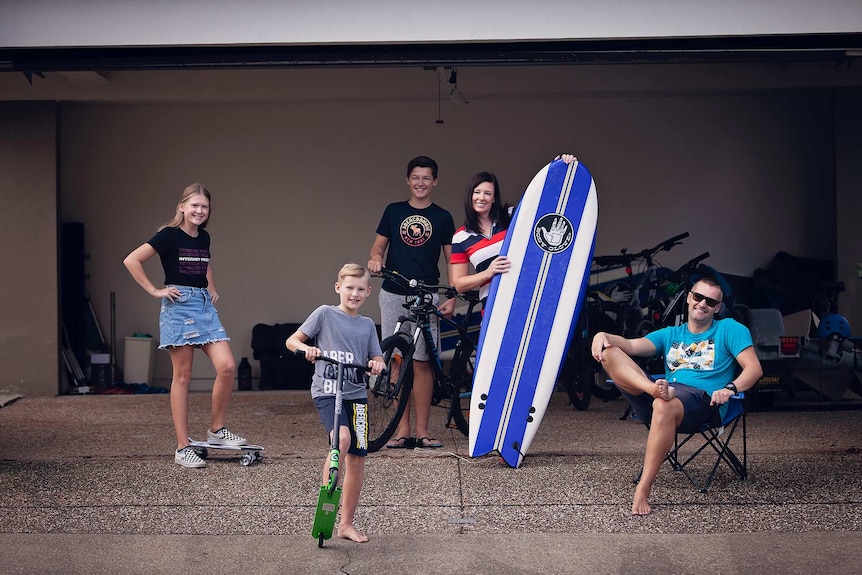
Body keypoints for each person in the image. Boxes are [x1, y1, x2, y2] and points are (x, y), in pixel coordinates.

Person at [591, 275, 763, 516]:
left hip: (702, 400)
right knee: (610, 353)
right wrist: (603, 336)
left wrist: (731, 388)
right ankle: (650, 388)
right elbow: (630, 345)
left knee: (663, 404)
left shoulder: (730, 328)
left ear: (718, 308)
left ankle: (643, 487)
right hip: (661, 391)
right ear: (689, 298)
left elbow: (754, 369)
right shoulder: (670, 334)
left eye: (711, 302)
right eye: (698, 297)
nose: (702, 304)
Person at [123, 183, 247, 468]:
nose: (199, 211)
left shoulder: (204, 237)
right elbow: (132, 260)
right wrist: (155, 291)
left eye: (204, 207)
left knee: (226, 366)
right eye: (194, 205)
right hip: (178, 307)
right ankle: (182, 447)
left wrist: (211, 289)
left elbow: (205, 264)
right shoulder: (168, 235)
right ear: (182, 207)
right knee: (183, 376)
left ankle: (216, 430)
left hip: (203, 307)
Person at [286, 263, 385, 543]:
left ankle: (346, 524)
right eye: (349, 288)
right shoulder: (325, 314)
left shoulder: (366, 325)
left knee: (357, 458)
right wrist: (307, 349)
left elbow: (377, 357)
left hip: (356, 395)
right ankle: (327, 498)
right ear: (338, 288)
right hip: (328, 392)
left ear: (368, 291)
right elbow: (292, 341)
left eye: (360, 289)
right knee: (340, 438)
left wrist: (377, 365)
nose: (354, 293)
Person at [367, 155, 456, 449]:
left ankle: (422, 431)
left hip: (427, 295)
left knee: (422, 362)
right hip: (393, 291)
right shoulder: (393, 211)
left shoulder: (443, 217)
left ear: (435, 182)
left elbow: (451, 258)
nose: (421, 183)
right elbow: (378, 246)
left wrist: (452, 294)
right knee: (396, 358)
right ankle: (401, 430)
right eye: (416, 177)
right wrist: (376, 259)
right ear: (408, 179)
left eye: (426, 178)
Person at [450, 155, 578, 303]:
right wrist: (488, 273)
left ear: (493, 198)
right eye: (477, 192)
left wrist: (558, 170)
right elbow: (459, 284)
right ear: (469, 195)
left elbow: (542, 206)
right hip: (495, 307)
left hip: (529, 296)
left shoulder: (510, 216)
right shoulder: (460, 237)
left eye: (488, 193)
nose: (481, 197)